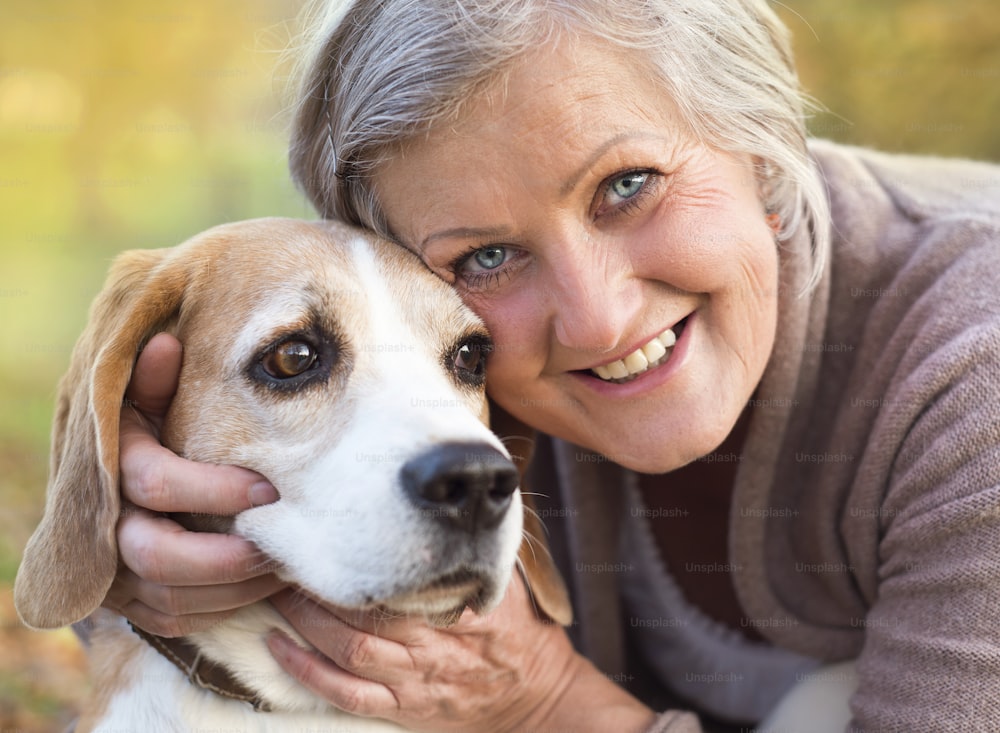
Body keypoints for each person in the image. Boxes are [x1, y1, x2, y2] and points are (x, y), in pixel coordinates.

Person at [102, 1, 1000, 731]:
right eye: (484, 256)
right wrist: (128, 522)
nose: (597, 317)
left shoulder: (975, 371)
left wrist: (546, 700)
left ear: (764, 152)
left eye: (627, 185)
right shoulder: (460, 393)